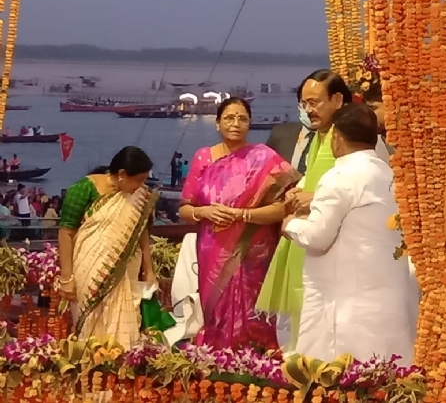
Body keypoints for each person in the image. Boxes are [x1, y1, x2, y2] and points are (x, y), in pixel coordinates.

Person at [257, 69, 391, 350]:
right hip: (308, 238)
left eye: (315, 102)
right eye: (304, 103)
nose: (309, 110)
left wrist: (314, 197)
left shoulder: (360, 139)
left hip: (342, 252)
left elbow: (375, 186)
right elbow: (316, 177)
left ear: (337, 100)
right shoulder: (319, 136)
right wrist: (299, 190)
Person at [282, 104, 416, 363]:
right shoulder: (391, 175)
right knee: (386, 372)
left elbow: (317, 236)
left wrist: (290, 224)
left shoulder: (340, 176)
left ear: (337, 137)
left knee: (341, 373)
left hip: (347, 303)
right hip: (388, 298)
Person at [178, 97, 300, 350]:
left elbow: (284, 207)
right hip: (213, 250)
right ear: (218, 123)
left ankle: (254, 360)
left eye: (242, 118)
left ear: (249, 124)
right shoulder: (203, 157)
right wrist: (204, 212)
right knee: (216, 311)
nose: (236, 123)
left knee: (252, 311)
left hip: (253, 250)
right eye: (229, 118)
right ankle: (218, 355)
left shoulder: (264, 158)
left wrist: (241, 215)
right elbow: (185, 209)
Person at [58, 146, 157, 349]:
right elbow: (66, 233)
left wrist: (149, 270)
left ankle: (122, 366)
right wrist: (66, 278)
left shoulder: (139, 197)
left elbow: (142, 233)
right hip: (90, 271)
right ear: (122, 174)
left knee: (126, 328)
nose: (141, 186)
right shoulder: (83, 190)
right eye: (138, 180)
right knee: (90, 328)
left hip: (126, 271)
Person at [266, 105, 314, 173]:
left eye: (313, 103)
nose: (309, 109)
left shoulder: (330, 138)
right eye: (304, 104)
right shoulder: (280, 133)